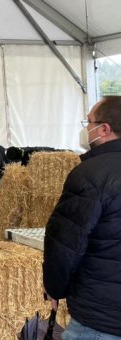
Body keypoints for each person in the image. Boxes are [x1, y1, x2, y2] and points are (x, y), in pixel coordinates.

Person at [44, 96, 121, 339]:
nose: (86, 129)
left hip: (100, 318)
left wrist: (54, 289)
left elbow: (65, 244)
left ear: (105, 129)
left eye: (89, 123)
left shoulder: (90, 174)